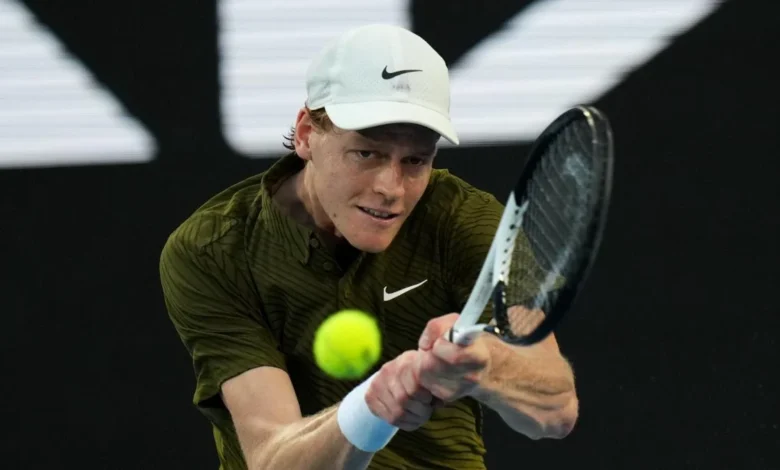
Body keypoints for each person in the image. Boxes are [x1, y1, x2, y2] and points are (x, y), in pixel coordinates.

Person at [159, 24, 578, 470]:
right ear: (306, 134)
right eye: (367, 153)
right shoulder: (213, 250)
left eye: (414, 160)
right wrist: (371, 409)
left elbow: (557, 411)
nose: (391, 188)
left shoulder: (464, 222)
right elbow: (272, 459)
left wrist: (486, 365)